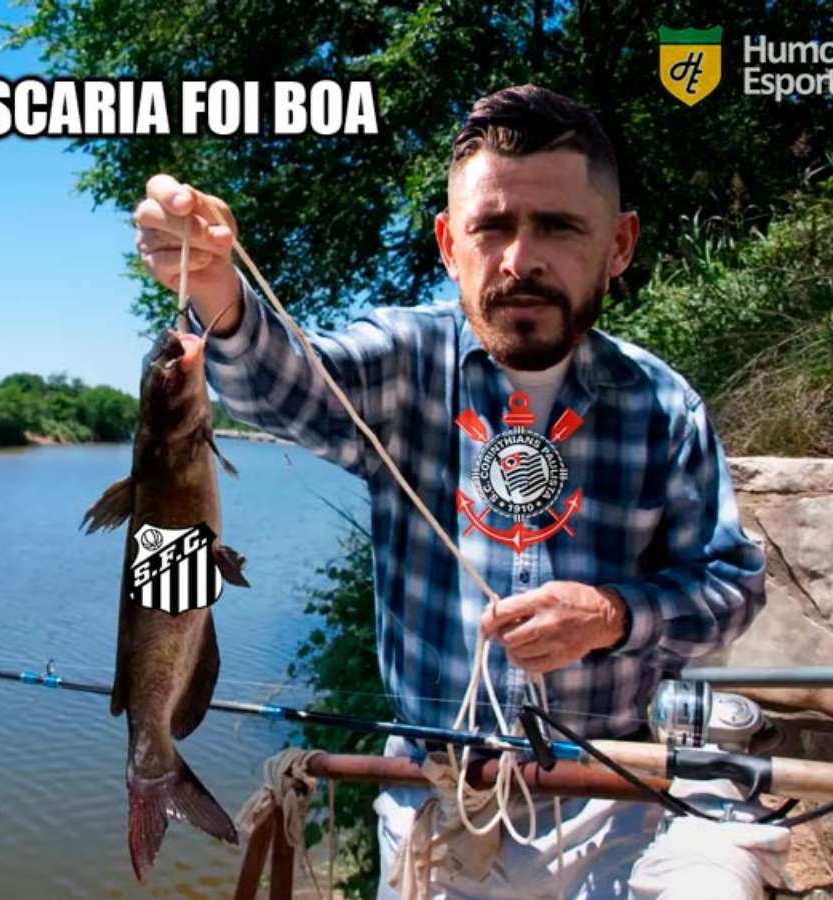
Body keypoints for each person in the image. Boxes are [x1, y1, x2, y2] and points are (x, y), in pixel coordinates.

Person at [133, 85, 771, 899]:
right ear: (448, 243)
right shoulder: (405, 363)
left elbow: (732, 586)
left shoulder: (663, 406)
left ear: (618, 245)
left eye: (559, 227)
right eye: (492, 227)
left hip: (608, 803)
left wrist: (613, 615)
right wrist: (216, 291)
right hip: (433, 806)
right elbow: (281, 383)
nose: (519, 259)